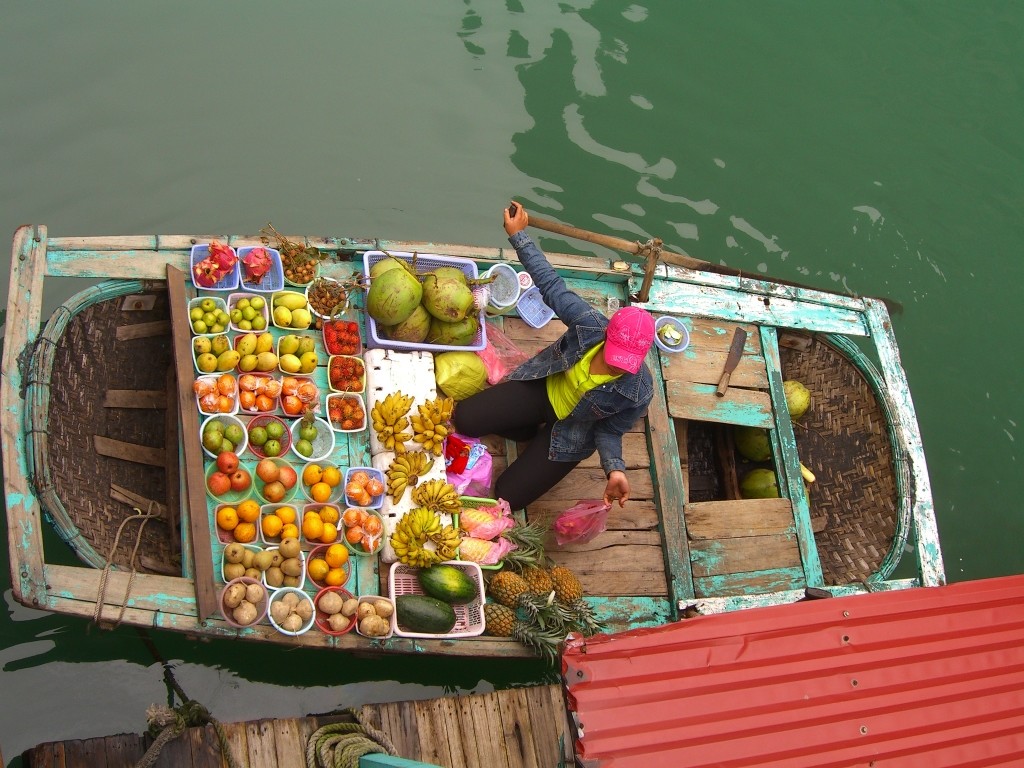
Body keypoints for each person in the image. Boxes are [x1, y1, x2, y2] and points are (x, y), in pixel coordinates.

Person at [452, 202, 656, 511]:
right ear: (607, 335)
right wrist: (519, 235)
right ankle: (528, 428)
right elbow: (551, 285)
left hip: (573, 432)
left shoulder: (639, 391)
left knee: (508, 496)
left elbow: (610, 430)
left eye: (626, 362)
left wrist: (615, 469)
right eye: (614, 356)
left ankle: (537, 440)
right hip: (543, 391)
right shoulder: (590, 325)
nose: (617, 365)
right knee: (465, 418)